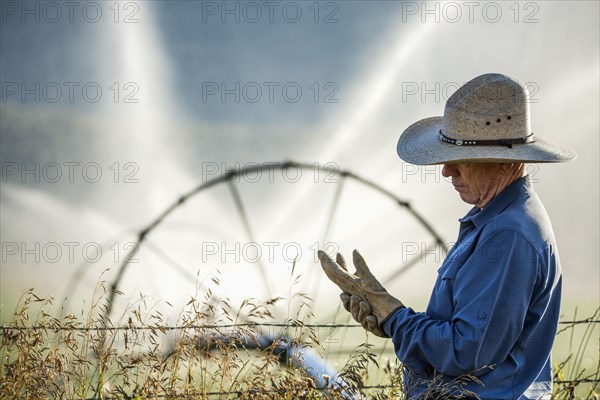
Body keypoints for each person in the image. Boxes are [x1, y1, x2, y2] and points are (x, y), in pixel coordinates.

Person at [318, 73, 576, 399]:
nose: (447, 171)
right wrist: (391, 318)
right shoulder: (498, 219)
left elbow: (467, 351)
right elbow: (468, 332)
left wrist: (396, 319)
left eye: (460, 160)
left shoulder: (507, 235)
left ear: (502, 162)